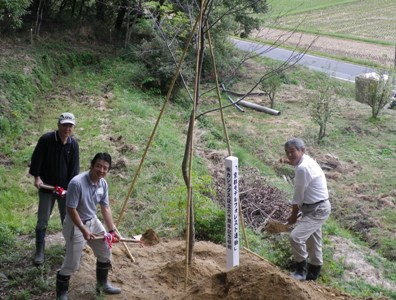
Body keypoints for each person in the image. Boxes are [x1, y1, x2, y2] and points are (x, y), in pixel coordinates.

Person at [56, 152, 122, 299]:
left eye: (105, 168)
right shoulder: (76, 183)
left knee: (105, 251)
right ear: (91, 165)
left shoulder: (103, 183)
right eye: (98, 166)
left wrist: (112, 230)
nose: (101, 170)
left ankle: (102, 284)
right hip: (75, 224)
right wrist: (83, 229)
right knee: (72, 263)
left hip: (92, 221)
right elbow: (71, 209)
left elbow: (105, 207)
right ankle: (61, 293)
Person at [29, 112, 80, 265]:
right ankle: (39, 250)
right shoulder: (46, 140)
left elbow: (74, 169)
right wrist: (37, 177)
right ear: (58, 125)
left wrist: (72, 189)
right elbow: (36, 159)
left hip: (65, 190)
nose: (67, 128)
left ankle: (69, 248)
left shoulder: (73, 144)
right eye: (64, 125)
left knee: (68, 219)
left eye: (70, 126)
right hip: (47, 187)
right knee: (43, 220)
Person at [284, 138, 331, 281]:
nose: (290, 155)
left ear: (302, 150)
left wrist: (293, 215)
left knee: (295, 237)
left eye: (292, 151)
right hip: (314, 207)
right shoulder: (306, 162)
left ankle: (301, 270)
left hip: (317, 209)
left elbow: (298, 195)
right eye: (287, 153)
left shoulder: (303, 168)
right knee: (314, 242)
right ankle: (313, 276)